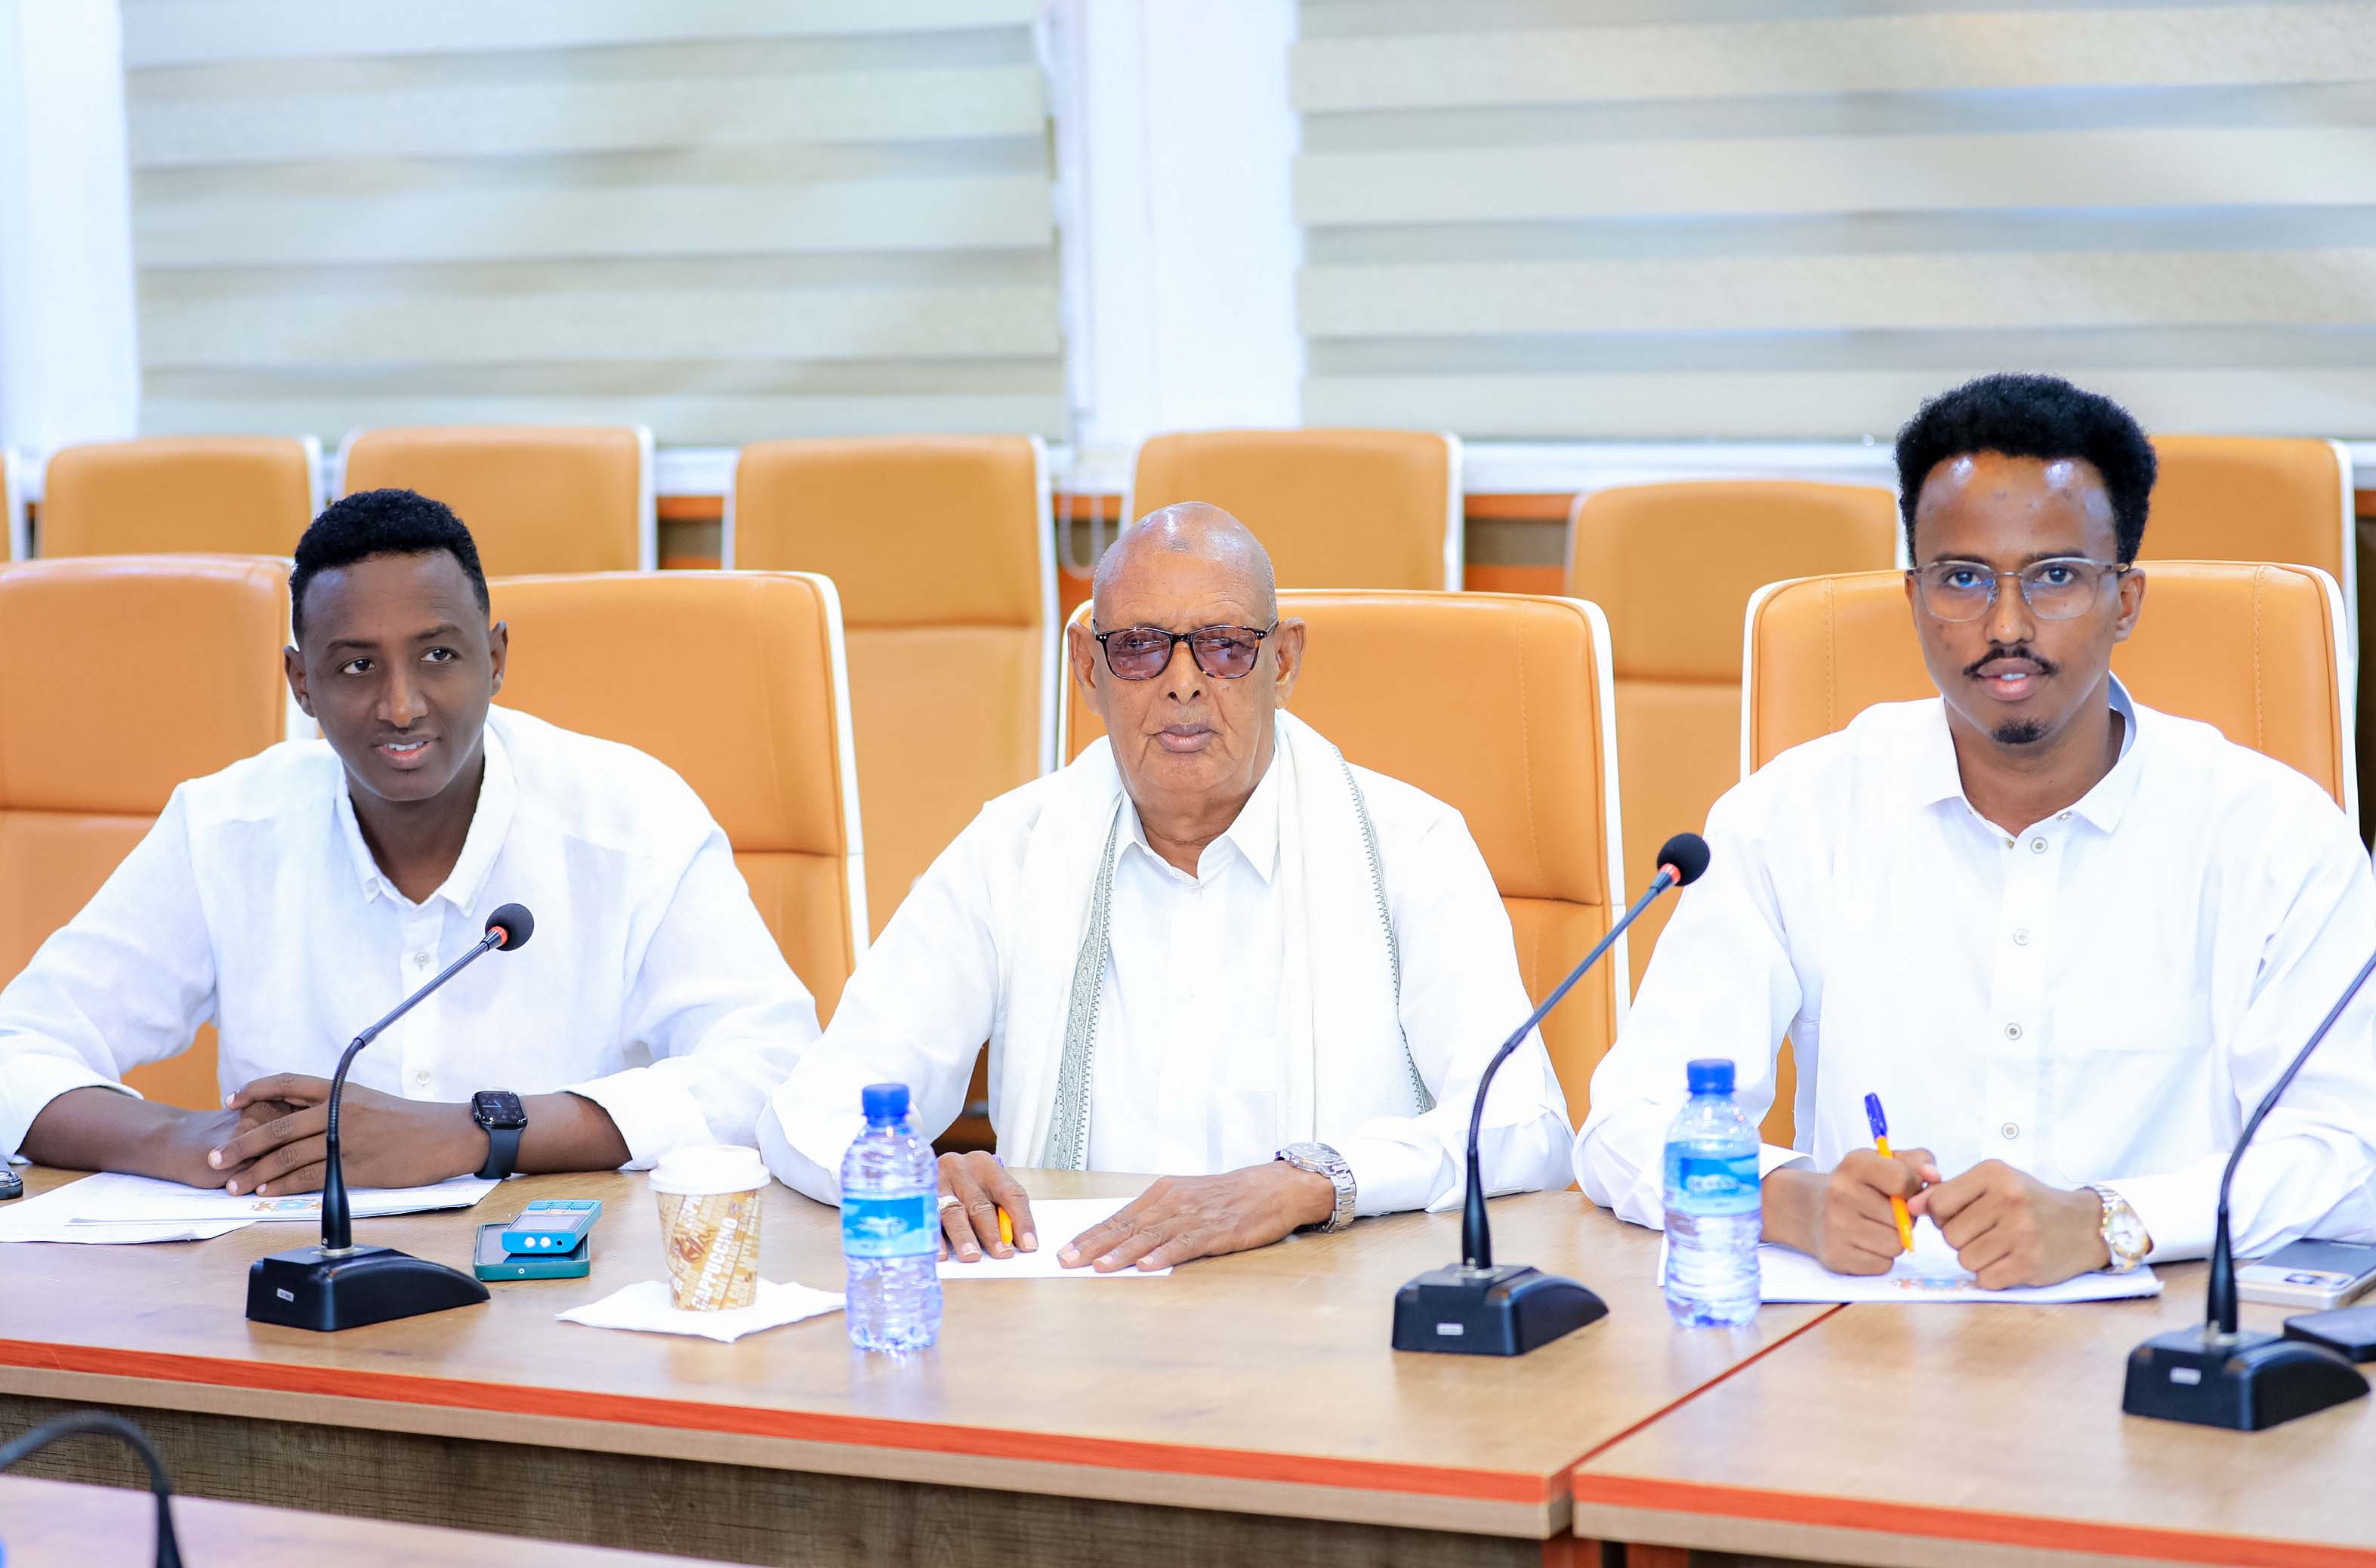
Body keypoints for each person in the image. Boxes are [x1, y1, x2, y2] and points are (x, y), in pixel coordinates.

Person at [1575, 372, 2376, 1287]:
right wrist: (1783, 1199)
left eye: (2055, 577)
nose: (2005, 625)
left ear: (2125, 600)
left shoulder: (2272, 836)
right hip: (1860, 1347)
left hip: (2164, 1344)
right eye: (1961, 578)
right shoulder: (1791, 816)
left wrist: (2110, 1221)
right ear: (1913, 597)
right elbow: (1627, 1125)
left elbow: (2353, 1152)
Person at [760, 503, 1569, 1270]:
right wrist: (904, 1175)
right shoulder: (1012, 850)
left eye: (1224, 646)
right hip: (1074, 1313)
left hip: (1333, 1316)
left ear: (1283, 662)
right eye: (1142, 647)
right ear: (1088, 669)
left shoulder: (1410, 847)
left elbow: (1521, 1124)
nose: (1183, 682)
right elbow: (810, 1110)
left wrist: (1305, 1184)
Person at [0, 489, 819, 1192]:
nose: (402, 706)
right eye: (357, 667)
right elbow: (18, 1049)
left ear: (495, 658)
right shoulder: (225, 829)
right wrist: (190, 1140)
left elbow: (774, 1069)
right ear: (302, 683)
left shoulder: (631, 820)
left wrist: (477, 1133)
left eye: (437, 655)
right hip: (293, 1279)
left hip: (567, 1277)